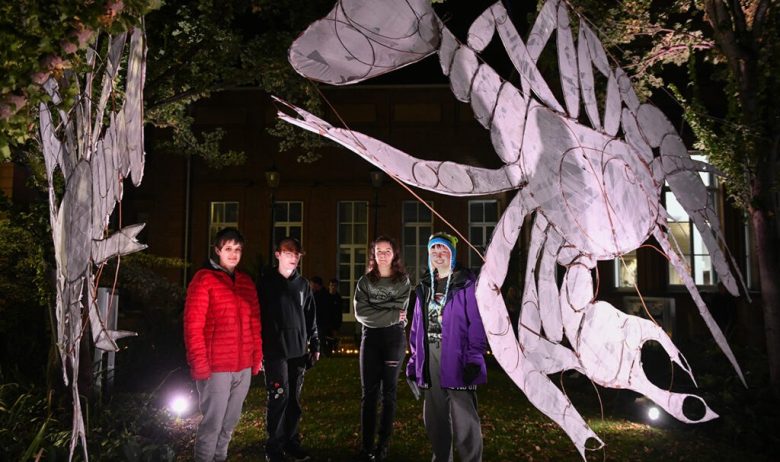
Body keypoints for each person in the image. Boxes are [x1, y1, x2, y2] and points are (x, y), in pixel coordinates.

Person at [406, 232, 488, 462]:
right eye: (434, 249)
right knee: (435, 417)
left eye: (443, 249)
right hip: (430, 355)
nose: (438, 254)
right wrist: (414, 362)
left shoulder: (466, 284)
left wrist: (474, 358)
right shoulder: (424, 285)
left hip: (457, 355)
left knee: (464, 419)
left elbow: (477, 324)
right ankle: (441, 457)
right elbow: (416, 327)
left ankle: (471, 459)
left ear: (452, 254)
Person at [183, 227, 262, 462]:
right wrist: (199, 364)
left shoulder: (246, 283)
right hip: (216, 368)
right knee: (212, 426)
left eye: (237, 249)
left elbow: (255, 324)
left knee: (229, 424)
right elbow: (192, 326)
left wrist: (256, 358)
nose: (233, 254)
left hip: (243, 367)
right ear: (217, 250)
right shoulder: (203, 280)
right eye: (228, 249)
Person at [258, 237, 319, 462]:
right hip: (275, 352)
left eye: (297, 254)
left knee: (294, 399)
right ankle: (273, 446)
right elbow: (258, 317)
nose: (293, 257)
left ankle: (291, 442)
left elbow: (310, 316)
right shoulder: (266, 283)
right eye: (288, 252)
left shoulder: (303, 285)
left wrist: (315, 343)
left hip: (298, 351)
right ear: (278, 254)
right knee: (278, 397)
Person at [354, 236, 412, 461]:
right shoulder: (365, 282)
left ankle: (383, 445)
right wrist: (390, 315)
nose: (383, 254)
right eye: (379, 250)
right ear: (374, 254)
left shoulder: (402, 281)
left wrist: (377, 313)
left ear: (394, 254)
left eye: (387, 250)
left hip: (393, 340)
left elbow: (401, 314)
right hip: (370, 340)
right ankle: (367, 447)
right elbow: (361, 314)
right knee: (368, 394)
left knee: (389, 394)